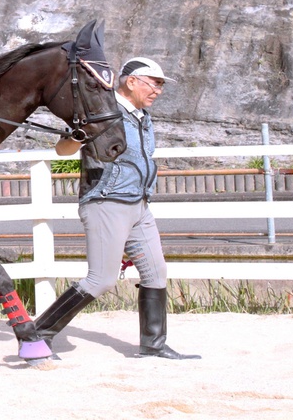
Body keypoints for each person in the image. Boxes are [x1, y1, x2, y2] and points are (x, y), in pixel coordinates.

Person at [38, 57, 200, 360]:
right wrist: (78, 135)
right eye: (155, 83)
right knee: (101, 280)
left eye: (161, 85)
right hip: (106, 202)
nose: (158, 91)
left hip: (139, 205)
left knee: (156, 272)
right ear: (131, 80)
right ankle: (38, 335)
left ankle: (153, 345)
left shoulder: (143, 116)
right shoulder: (100, 109)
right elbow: (63, 149)